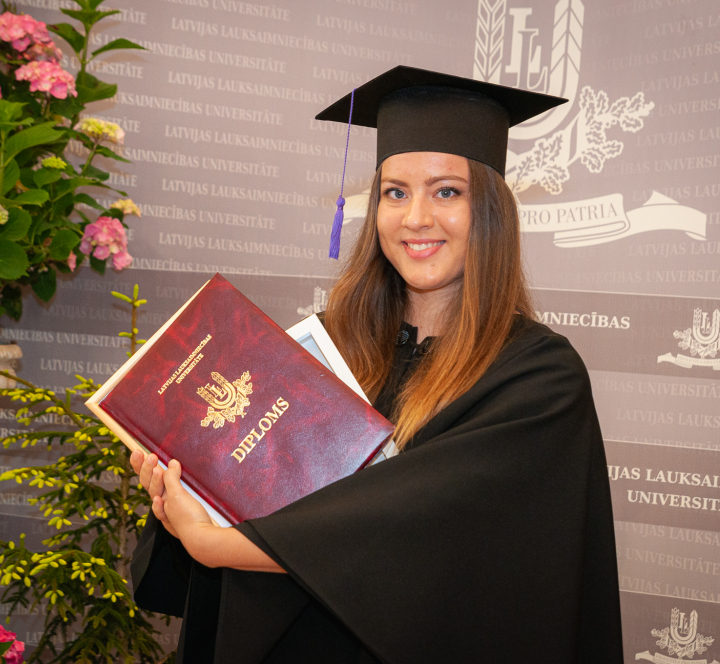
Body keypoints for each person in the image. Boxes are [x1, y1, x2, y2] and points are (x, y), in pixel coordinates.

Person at [129, 66, 623, 663]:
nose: (416, 218)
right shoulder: (326, 353)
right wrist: (190, 489)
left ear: (491, 211)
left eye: (447, 191)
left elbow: (417, 532)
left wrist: (216, 544)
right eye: (396, 192)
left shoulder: (537, 378)